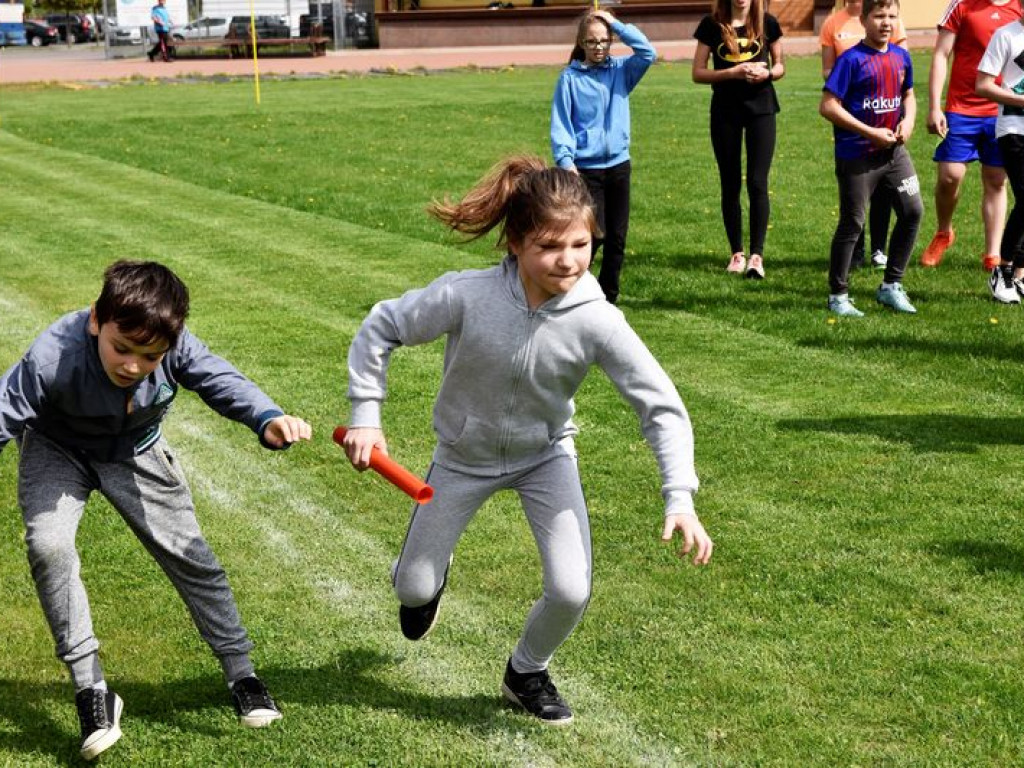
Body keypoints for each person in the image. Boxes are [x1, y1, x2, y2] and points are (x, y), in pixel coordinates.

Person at [341, 156, 713, 726]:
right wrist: (366, 414)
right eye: (549, 246)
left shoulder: (599, 320)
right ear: (515, 243)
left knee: (570, 589)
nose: (568, 261)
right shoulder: (467, 295)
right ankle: (425, 584)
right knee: (412, 588)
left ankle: (526, 672)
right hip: (462, 459)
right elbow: (382, 326)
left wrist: (679, 495)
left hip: (545, 457)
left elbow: (660, 407)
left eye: (581, 244)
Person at [0, 260, 312, 760]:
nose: (132, 365)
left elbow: (218, 379)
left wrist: (266, 417)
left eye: (149, 356)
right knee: (48, 545)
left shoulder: (175, 346)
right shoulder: (52, 355)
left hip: (137, 452)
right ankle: (92, 691)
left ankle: (242, 673)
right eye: (122, 349)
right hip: (57, 451)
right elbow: (4, 409)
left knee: (192, 558)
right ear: (96, 322)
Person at [820, 0, 923, 317]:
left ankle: (891, 286)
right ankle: (838, 295)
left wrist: (907, 122)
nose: (886, 22)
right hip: (857, 156)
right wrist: (869, 132)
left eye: (892, 16)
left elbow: (908, 95)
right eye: (879, 16)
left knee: (913, 210)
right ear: (863, 20)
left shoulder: (901, 56)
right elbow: (828, 106)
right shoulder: (851, 60)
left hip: (894, 154)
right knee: (853, 223)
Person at [550, 10, 655, 305]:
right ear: (581, 43)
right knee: (594, 236)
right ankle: (570, 289)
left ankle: (608, 299)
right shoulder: (569, 79)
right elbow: (562, 124)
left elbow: (648, 52)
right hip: (586, 170)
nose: (599, 47)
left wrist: (616, 23)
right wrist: (566, 162)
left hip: (619, 166)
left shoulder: (622, 71)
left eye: (604, 41)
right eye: (592, 42)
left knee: (617, 239)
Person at [922, 0, 1022, 269]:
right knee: (949, 176)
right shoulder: (962, 5)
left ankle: (993, 254)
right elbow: (942, 54)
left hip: (1003, 110)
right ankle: (944, 231)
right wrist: (934, 106)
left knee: (996, 179)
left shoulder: (1019, 6)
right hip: (962, 107)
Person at [693, 0, 785, 280]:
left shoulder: (767, 22)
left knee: (758, 181)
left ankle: (757, 256)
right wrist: (731, 73)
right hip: (725, 111)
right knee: (729, 182)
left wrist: (768, 72)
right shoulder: (711, 24)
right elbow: (697, 72)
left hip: (762, 109)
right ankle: (736, 253)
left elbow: (780, 66)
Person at [976, 0, 1024, 303]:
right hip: (1014, 129)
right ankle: (1002, 270)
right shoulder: (1006, 35)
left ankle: (1019, 275)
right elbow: (983, 84)